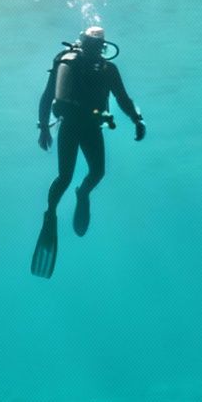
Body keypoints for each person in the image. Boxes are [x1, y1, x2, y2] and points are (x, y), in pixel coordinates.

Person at [31, 26, 143, 278]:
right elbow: (49, 95)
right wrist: (43, 128)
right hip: (72, 125)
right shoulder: (69, 64)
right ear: (84, 45)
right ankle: (51, 212)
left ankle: (82, 194)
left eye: (98, 47)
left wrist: (137, 119)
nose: (95, 51)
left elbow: (123, 98)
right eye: (92, 46)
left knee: (96, 172)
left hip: (88, 126)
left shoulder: (106, 69)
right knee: (65, 176)